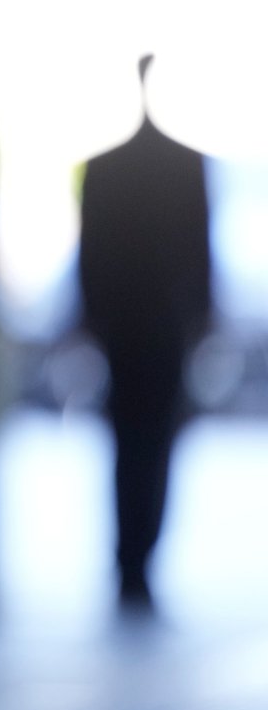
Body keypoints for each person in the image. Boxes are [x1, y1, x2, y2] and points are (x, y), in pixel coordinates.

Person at [77, 53, 212, 611]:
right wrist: (201, 320)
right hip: (161, 329)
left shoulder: (108, 167)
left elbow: (90, 259)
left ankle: (130, 560)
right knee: (154, 445)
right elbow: (201, 257)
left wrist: (90, 321)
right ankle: (139, 558)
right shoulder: (185, 166)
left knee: (129, 445)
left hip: (127, 331)